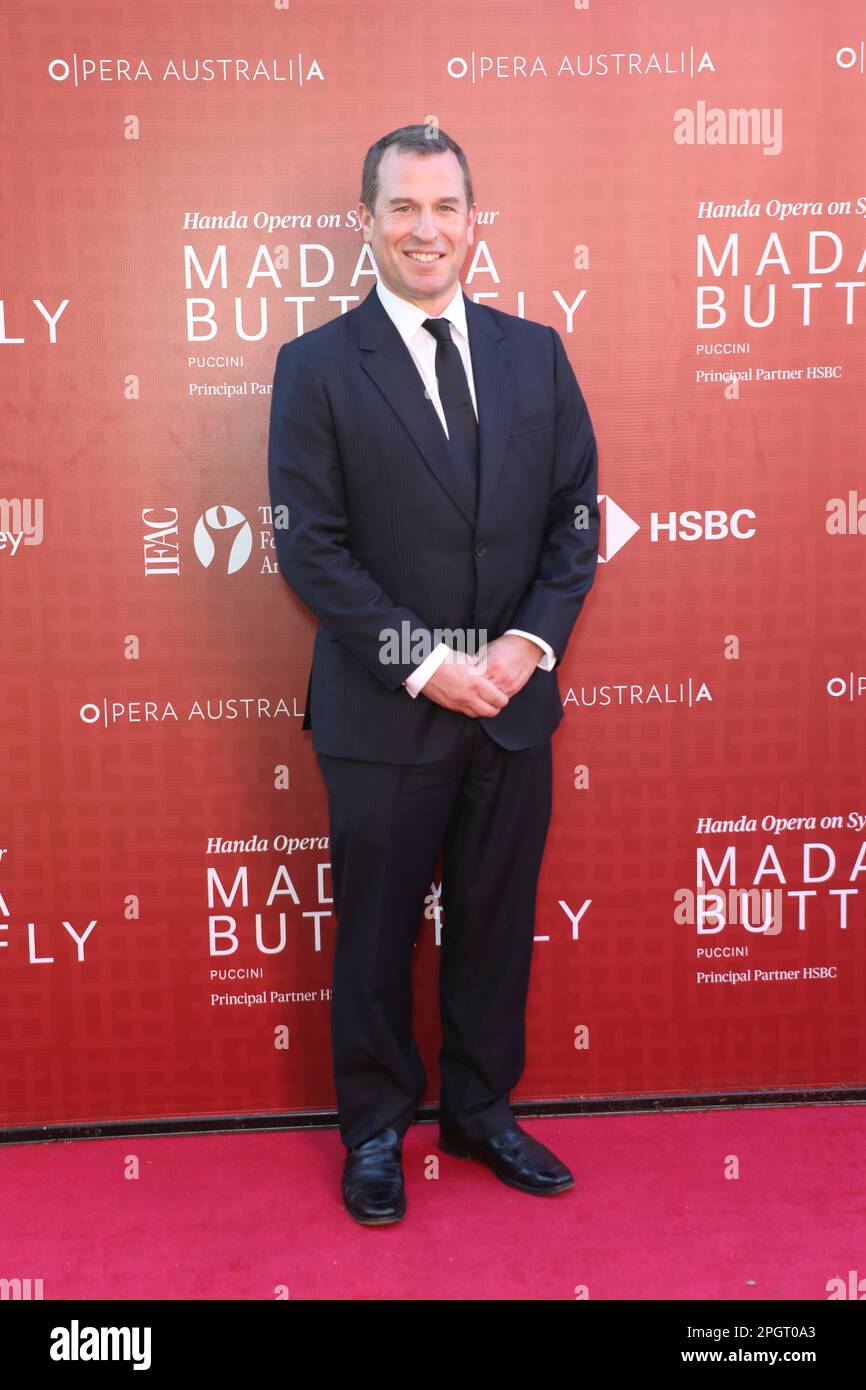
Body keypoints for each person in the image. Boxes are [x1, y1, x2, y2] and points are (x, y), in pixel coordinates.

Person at [267, 123, 599, 1225]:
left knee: (497, 921)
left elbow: (571, 520)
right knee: (372, 935)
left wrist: (521, 648)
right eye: (401, 207)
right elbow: (309, 546)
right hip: (383, 712)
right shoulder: (314, 367)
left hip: (512, 706)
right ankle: (374, 1130)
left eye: (443, 206)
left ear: (473, 220)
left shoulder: (534, 353)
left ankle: (478, 1108)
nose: (424, 228)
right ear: (367, 222)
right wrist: (429, 663)